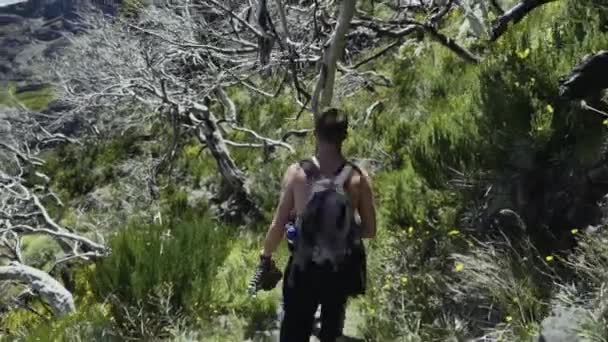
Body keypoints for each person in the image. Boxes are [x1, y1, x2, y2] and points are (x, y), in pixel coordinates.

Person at [251, 107, 377, 342]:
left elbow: (278, 225)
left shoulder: (297, 173)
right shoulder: (358, 177)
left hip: (304, 268)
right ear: (345, 136)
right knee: (331, 332)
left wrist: (265, 256)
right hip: (340, 270)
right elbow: (370, 230)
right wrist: (340, 230)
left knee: (294, 331)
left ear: (314, 134)